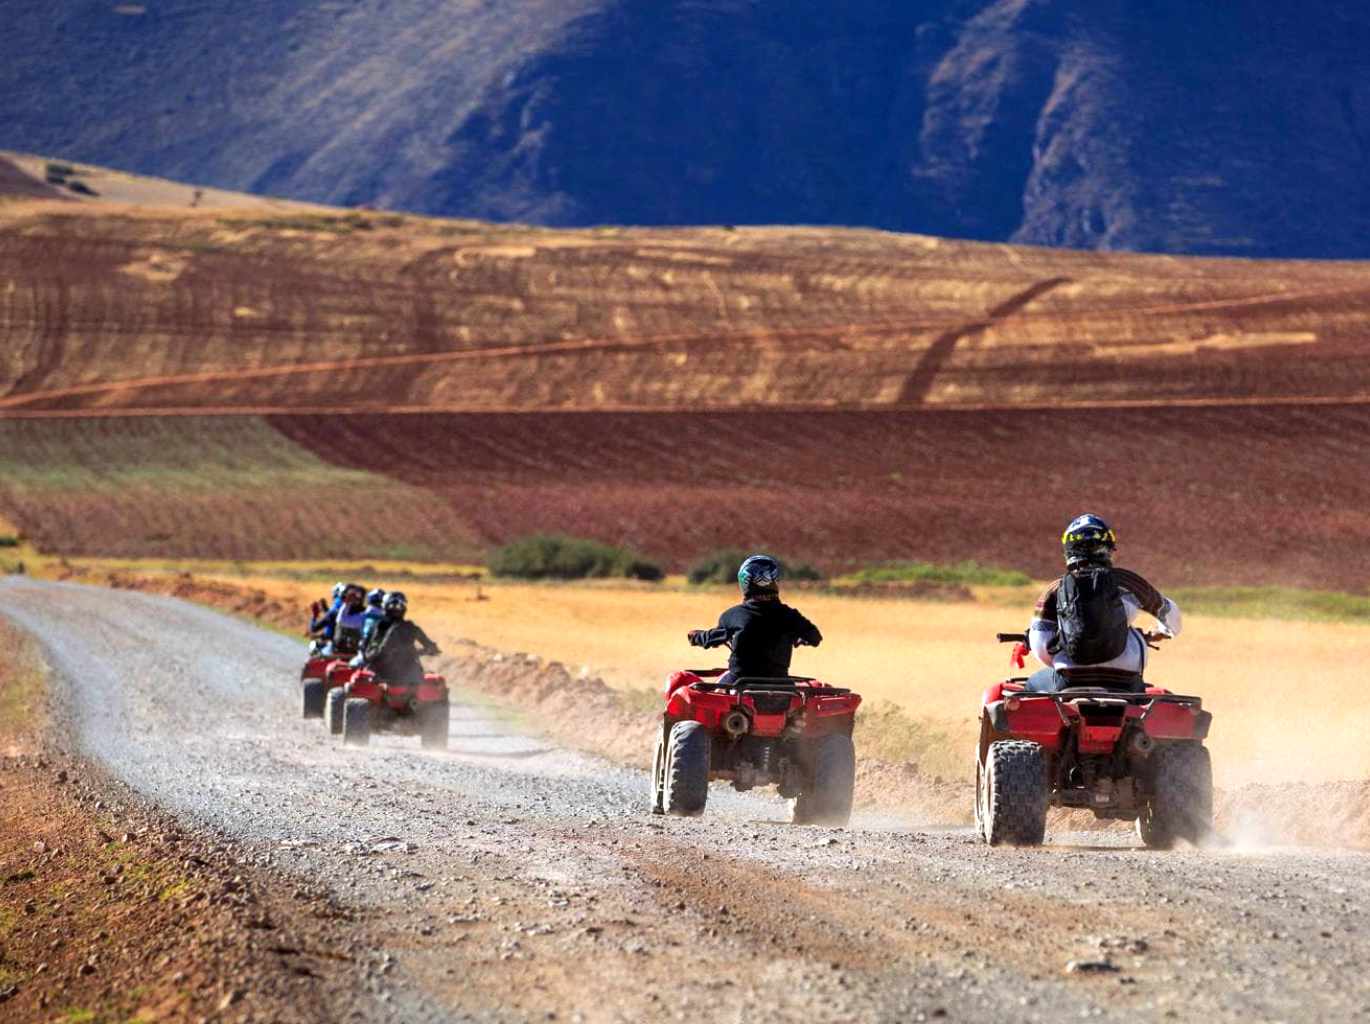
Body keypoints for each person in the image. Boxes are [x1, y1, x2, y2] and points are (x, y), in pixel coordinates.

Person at [1025, 514, 1183, 693]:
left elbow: (1039, 644)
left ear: (1068, 550)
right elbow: (1172, 617)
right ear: (1108, 548)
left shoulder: (1055, 589)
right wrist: (1162, 633)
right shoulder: (1129, 582)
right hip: (1126, 680)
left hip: (1070, 680)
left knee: (1031, 685)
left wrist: (1065, 661)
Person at [686, 554, 822, 681]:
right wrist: (799, 638)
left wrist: (696, 637)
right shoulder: (791, 616)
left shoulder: (733, 615)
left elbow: (712, 638)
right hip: (781, 688)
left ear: (745, 582)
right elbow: (815, 638)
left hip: (739, 685)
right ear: (774, 580)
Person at [363, 591, 440, 684]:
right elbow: (432, 648)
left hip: (397, 674)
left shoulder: (407, 627)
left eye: (399, 606)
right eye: (393, 606)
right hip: (392, 674)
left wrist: (414, 652)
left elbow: (432, 648)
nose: (396, 609)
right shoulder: (382, 627)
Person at [329, 583, 369, 656]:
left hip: (353, 652)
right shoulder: (338, 611)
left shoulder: (364, 615)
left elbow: (342, 620)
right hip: (340, 650)